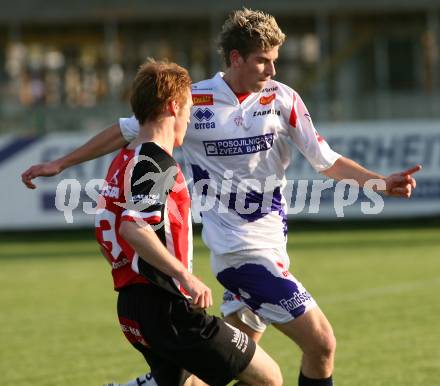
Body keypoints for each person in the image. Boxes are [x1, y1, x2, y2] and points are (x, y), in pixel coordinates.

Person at [22, 9, 421, 386]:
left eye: (275, 60)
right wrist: (61, 163)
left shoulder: (283, 99)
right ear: (236, 58)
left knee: (223, 370)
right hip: (239, 255)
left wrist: (380, 183)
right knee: (321, 343)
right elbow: (129, 128)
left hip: (273, 247)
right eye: (263, 60)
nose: (273, 70)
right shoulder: (192, 102)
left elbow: (326, 160)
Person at [92, 59, 282, 386]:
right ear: (172, 106)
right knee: (269, 378)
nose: (190, 118)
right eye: (189, 110)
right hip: (167, 307)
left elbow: (113, 228)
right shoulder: (155, 161)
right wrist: (184, 276)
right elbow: (132, 227)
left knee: (191, 383)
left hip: (134, 303)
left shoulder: (125, 159)